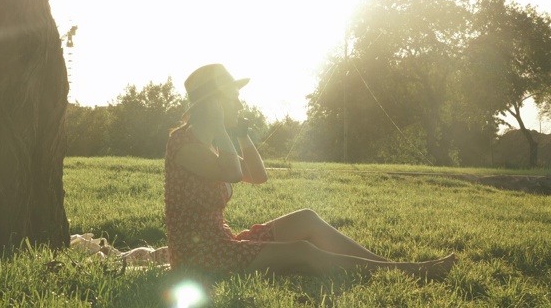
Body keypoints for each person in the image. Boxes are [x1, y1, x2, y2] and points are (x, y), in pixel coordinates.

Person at [163, 63, 456, 277]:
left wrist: (240, 133)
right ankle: (407, 272)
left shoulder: (213, 145)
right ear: (213, 103)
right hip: (200, 259)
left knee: (306, 219)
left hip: (222, 245)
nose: (239, 102)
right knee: (303, 253)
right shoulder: (183, 144)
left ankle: (390, 267)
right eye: (232, 97)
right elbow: (232, 173)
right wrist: (219, 126)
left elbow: (258, 175)